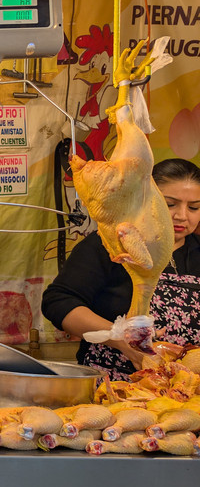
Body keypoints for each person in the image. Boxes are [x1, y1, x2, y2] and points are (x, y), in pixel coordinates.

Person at [42, 158, 200, 379]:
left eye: (194, 207)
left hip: (187, 390)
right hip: (115, 386)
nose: (182, 215)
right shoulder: (110, 244)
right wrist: (120, 339)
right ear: (145, 200)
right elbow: (58, 302)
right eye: (170, 204)